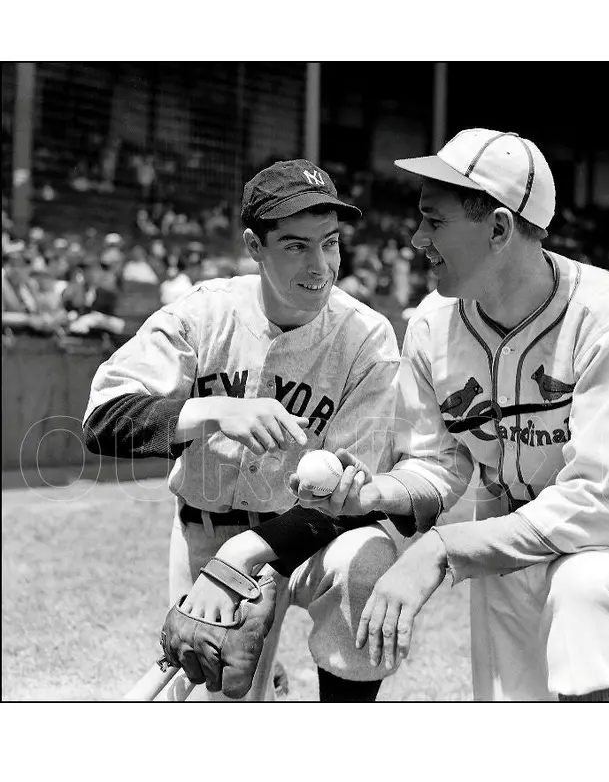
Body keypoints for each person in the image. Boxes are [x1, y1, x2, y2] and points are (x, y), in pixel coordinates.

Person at [294, 129, 609, 702]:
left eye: (435, 222)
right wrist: (374, 494)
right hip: (503, 525)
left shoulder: (608, 319)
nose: (416, 239)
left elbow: (594, 503)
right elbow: (436, 463)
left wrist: (443, 549)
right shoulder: (433, 324)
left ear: (500, 228)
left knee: (586, 593)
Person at [83, 159, 402, 701]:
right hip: (201, 536)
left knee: (367, 555)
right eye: (296, 245)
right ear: (255, 246)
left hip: (296, 541)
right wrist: (214, 410)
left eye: (330, 242)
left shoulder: (366, 338)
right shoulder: (204, 313)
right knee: (213, 708)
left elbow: (359, 501)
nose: (320, 264)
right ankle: (260, 682)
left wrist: (249, 557)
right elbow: (102, 421)